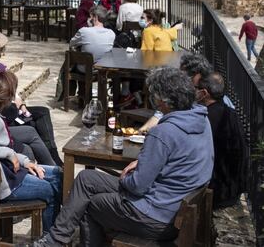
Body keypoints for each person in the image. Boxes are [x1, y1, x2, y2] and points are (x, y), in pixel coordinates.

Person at [34, 67, 214, 247]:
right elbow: (175, 158)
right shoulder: (201, 120)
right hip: (172, 203)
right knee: (86, 179)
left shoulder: (163, 133)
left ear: (164, 101)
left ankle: (56, 241)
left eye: (155, 96)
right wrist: (141, 164)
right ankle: (55, 241)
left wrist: (127, 177)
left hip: (156, 216)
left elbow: (138, 187)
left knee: (90, 204)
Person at [0, 71, 62, 232]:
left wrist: (25, 161)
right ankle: (50, 238)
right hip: (2, 184)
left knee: (58, 174)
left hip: (3, 173)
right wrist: (9, 154)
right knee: (50, 191)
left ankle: (60, 227)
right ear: (8, 98)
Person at [0, 33, 63, 166]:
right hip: (2, 111)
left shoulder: (0, 67)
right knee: (33, 126)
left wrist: (21, 104)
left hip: (12, 106)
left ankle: (53, 157)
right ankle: (50, 164)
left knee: (43, 112)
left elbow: (12, 90)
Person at [196, 73, 247, 208]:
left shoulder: (206, 118)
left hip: (216, 191)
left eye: (195, 88)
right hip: (233, 189)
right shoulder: (230, 113)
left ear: (204, 93)